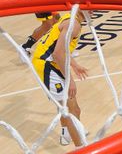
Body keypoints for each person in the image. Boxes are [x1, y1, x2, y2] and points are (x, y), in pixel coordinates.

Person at [31, 10, 89, 146]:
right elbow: (57, 54)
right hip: (46, 65)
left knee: (73, 108)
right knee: (70, 110)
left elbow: (62, 49)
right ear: (80, 8)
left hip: (52, 62)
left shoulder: (70, 18)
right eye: (90, 7)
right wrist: (71, 81)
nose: (93, 11)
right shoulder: (73, 25)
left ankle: (66, 133)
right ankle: (80, 149)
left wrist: (75, 65)